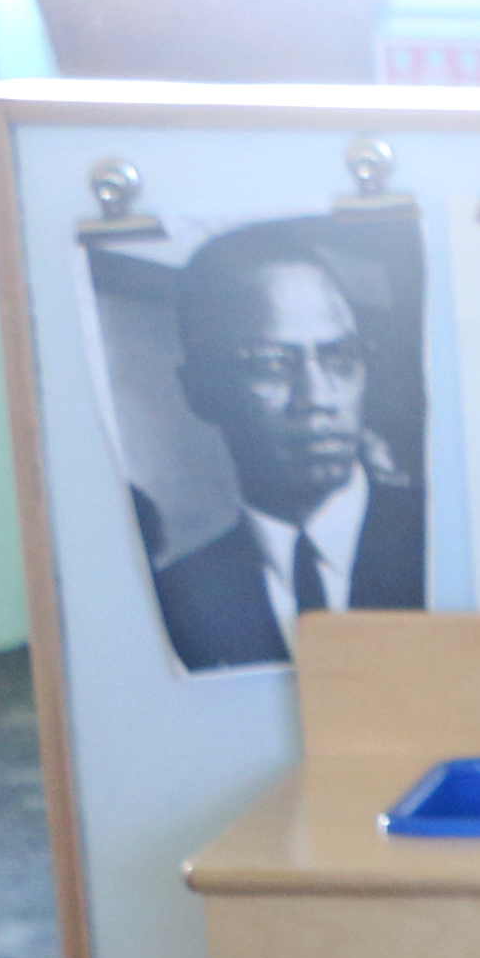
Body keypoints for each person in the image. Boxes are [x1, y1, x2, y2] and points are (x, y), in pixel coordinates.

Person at [154, 224, 425, 673]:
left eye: (340, 359)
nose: (318, 398)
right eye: (271, 366)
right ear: (200, 390)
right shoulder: (176, 598)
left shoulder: (440, 538)